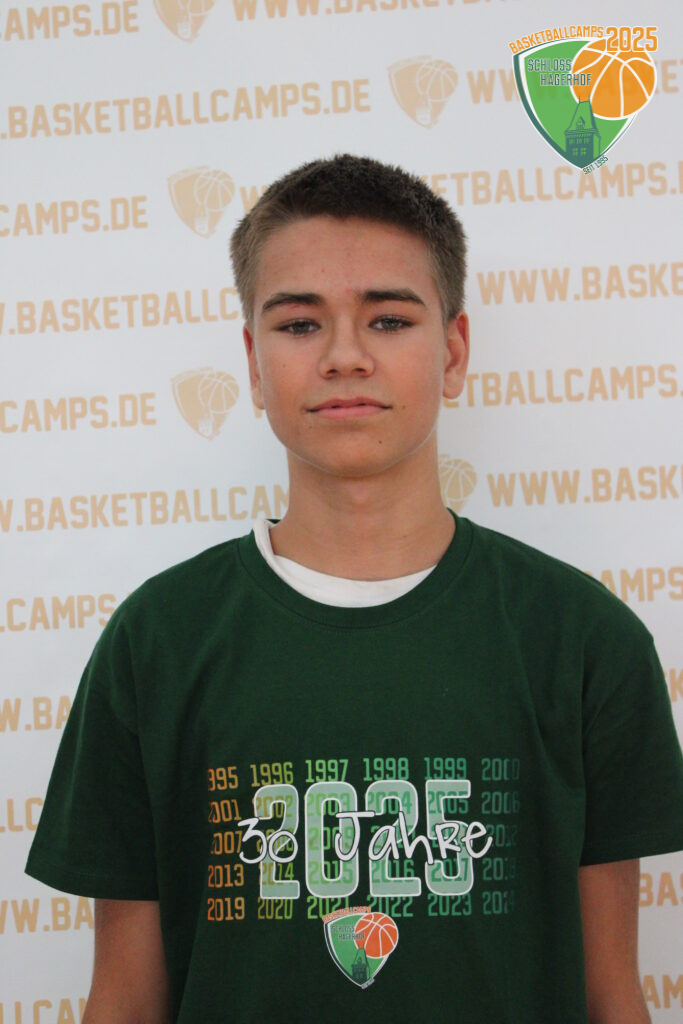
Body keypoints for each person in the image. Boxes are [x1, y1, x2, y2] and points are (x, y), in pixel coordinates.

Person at [25, 153, 683, 1024]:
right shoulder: (158, 641)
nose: (344, 356)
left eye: (388, 320)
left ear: (452, 352)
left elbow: (610, 994)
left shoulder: (583, 639)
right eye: (300, 324)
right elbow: (122, 1000)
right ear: (253, 363)